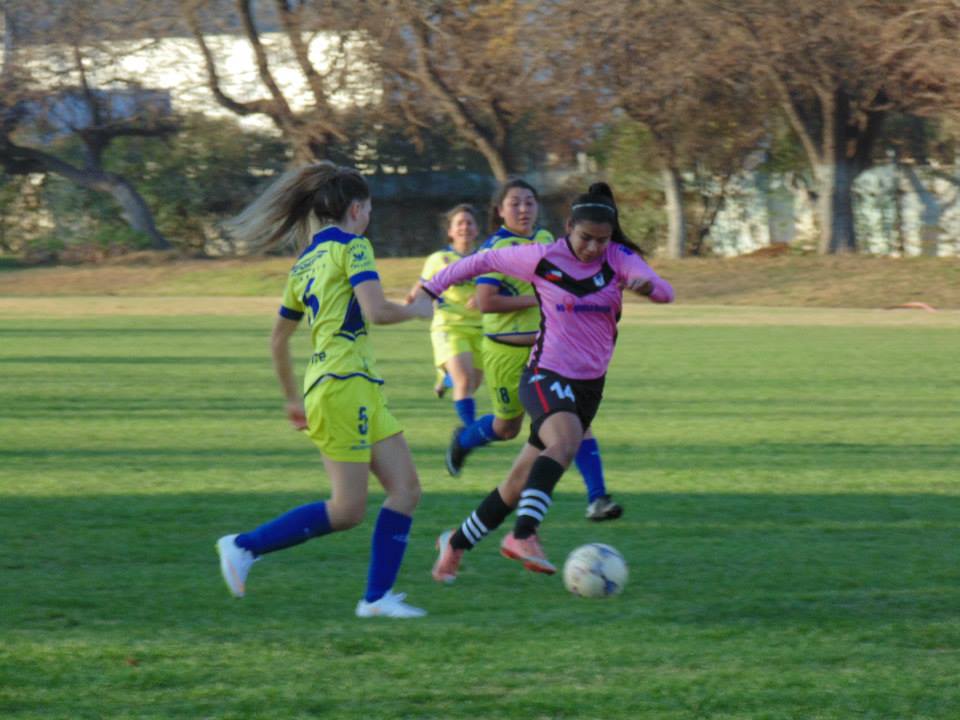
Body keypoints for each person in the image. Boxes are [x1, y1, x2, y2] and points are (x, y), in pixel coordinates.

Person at [414, 182, 675, 582]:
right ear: (568, 226)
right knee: (565, 442)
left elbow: (666, 293)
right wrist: (429, 288)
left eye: (601, 240)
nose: (591, 248)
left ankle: (456, 544)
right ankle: (524, 534)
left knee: (517, 482)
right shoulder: (541, 256)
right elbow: (479, 263)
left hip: (591, 385)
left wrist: (648, 287)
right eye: (585, 237)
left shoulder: (618, 258)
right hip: (544, 374)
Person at [215, 162, 433, 618]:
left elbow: (277, 339)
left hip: (354, 386)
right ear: (357, 208)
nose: (368, 216)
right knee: (347, 509)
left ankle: (377, 600)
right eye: (368, 208)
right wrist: (417, 312)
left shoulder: (305, 262)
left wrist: (293, 397)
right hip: (342, 387)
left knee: (406, 490)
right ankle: (243, 546)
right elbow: (375, 312)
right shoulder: (354, 248)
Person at [446, 178, 623, 521]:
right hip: (507, 355)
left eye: (529, 202)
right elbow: (485, 301)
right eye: (515, 203)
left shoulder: (547, 240)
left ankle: (598, 497)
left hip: (550, 354)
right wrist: (541, 295)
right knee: (506, 428)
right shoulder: (495, 249)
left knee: (577, 422)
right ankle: (465, 439)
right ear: (500, 210)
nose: (524, 209)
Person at [404, 204, 485, 430]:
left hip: (480, 328)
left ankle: (445, 376)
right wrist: (413, 297)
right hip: (448, 326)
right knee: (465, 381)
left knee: (473, 383)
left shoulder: (485, 259)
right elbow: (423, 283)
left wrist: (481, 296)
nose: (465, 227)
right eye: (459, 223)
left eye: (470, 223)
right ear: (450, 231)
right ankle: (471, 431)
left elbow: (495, 287)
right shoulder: (440, 259)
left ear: (477, 230)